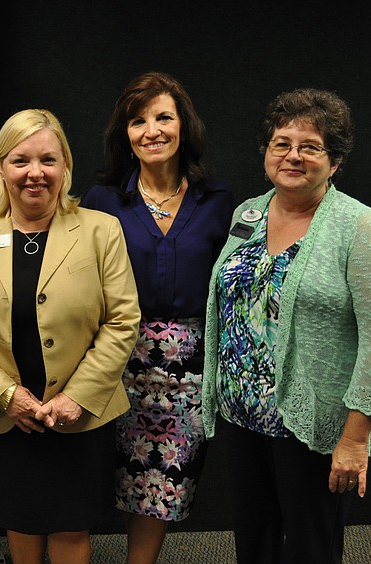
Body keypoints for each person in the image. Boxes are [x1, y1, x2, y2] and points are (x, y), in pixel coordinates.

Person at [202, 88, 371, 563]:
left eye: (310, 146)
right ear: (267, 152)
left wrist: (355, 439)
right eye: (281, 143)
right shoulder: (247, 214)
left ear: (334, 162)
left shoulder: (360, 227)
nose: (293, 155)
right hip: (243, 416)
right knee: (254, 546)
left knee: (312, 548)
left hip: (311, 425)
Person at [0, 108, 140, 564]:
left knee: (73, 527)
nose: (35, 173)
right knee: (20, 524)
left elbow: (123, 320)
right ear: (0, 168)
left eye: (48, 160)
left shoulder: (100, 230)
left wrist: (77, 396)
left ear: (65, 167)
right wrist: (5, 395)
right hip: (5, 415)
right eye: (21, 160)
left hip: (80, 415)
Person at [82, 72, 235, 563]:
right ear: (124, 134)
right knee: (123, 476)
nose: (152, 130)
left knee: (163, 481)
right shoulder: (102, 201)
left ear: (183, 126)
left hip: (188, 368)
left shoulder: (218, 201)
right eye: (138, 120)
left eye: (163, 117)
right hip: (114, 359)